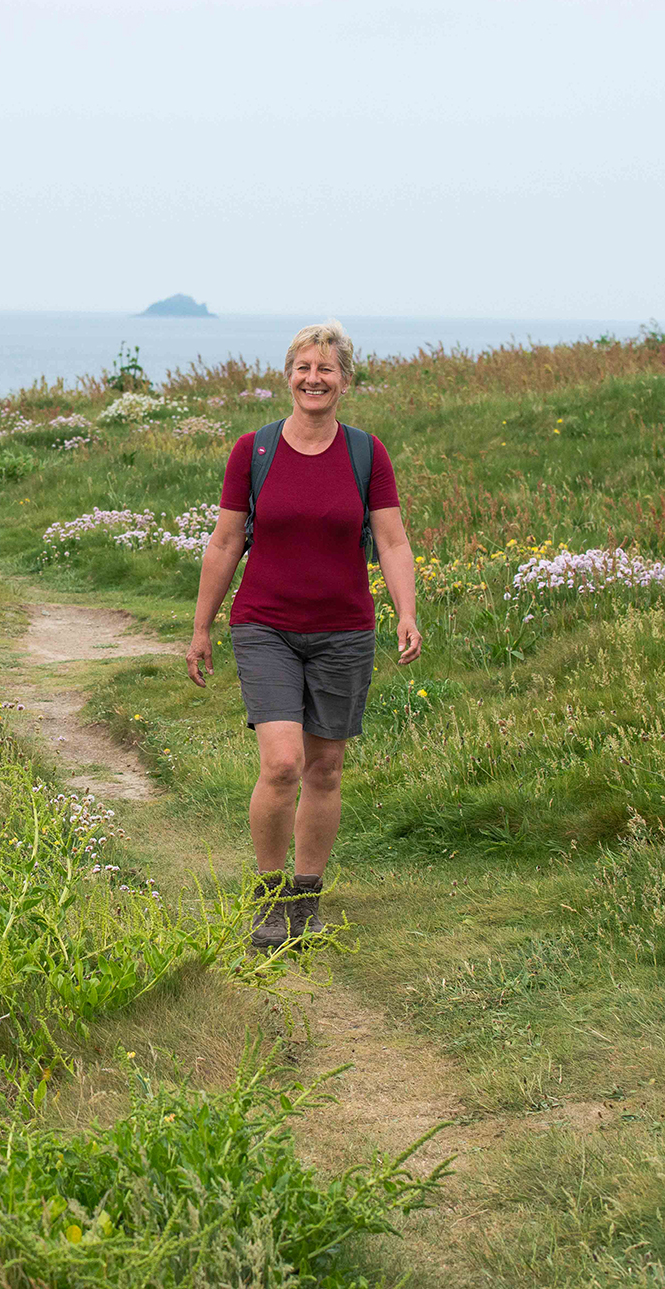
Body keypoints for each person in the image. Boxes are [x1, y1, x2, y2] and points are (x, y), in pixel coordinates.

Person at [186, 321, 421, 948]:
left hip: (343, 630)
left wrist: (406, 611)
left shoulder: (366, 454)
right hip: (265, 626)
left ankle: (305, 898)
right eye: (303, 368)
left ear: (346, 380)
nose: (313, 379)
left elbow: (393, 541)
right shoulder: (253, 451)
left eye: (326, 369)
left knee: (326, 769)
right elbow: (226, 541)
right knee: (283, 763)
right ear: (288, 375)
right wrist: (201, 627)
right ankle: (268, 899)